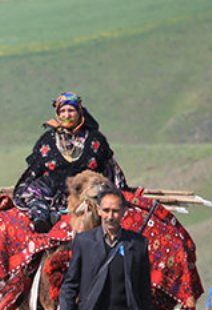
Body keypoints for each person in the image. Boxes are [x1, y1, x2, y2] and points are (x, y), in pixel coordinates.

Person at [13, 91, 128, 233]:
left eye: (71, 110)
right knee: (35, 193)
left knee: (97, 197)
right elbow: (34, 171)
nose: (66, 115)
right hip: (53, 194)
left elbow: (110, 168)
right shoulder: (47, 140)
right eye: (62, 111)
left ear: (80, 112)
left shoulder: (95, 139)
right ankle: (42, 220)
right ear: (58, 113)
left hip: (85, 192)